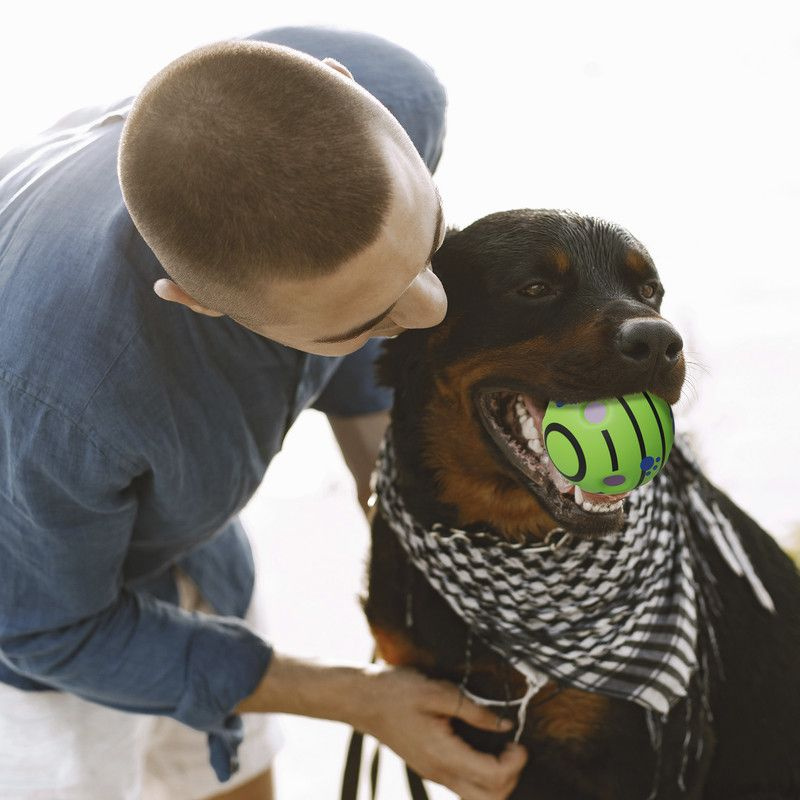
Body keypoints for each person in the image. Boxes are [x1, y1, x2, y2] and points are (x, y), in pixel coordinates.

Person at [0, 26, 527, 800]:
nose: (431, 309)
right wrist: (358, 700)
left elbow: (361, 310)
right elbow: (47, 626)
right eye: (361, 322)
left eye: (431, 237)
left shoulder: (397, 94)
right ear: (197, 303)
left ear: (340, 80)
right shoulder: (59, 408)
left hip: (187, 536)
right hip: (36, 622)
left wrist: (394, 500)